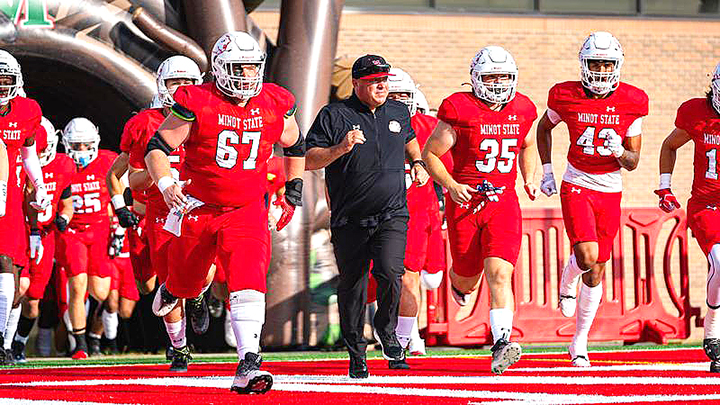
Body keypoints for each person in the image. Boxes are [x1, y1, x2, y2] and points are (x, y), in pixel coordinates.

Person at [144, 31, 304, 394]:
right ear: (218, 69)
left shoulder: (275, 101)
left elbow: (296, 144)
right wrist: (166, 184)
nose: (247, 76)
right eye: (238, 68)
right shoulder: (197, 100)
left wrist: (293, 190)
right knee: (188, 283)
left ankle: (249, 362)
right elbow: (157, 147)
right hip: (198, 207)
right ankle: (173, 287)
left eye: (252, 67)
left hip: (247, 209)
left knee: (248, 278)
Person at [306, 54, 429, 378]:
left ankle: (387, 331)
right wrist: (340, 149)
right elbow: (308, 159)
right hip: (350, 218)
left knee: (391, 272)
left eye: (384, 80)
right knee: (354, 286)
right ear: (357, 83)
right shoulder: (334, 115)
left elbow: (410, 140)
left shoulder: (398, 111)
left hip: (392, 213)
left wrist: (417, 163)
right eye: (374, 81)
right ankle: (356, 352)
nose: (381, 86)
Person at [422, 46, 537, 375]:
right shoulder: (459, 108)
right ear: (476, 79)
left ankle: (501, 343)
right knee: (467, 276)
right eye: (491, 77)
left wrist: (529, 178)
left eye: (504, 77)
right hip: (466, 202)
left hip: (503, 202)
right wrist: (451, 185)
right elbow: (430, 154)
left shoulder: (523, 108)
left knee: (500, 273)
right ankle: (458, 285)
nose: (498, 83)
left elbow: (528, 144)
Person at [536, 31, 648, 367]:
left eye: (607, 64)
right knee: (587, 256)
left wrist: (619, 151)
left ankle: (579, 342)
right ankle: (567, 280)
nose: (600, 70)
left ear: (617, 65)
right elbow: (544, 128)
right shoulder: (565, 95)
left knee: (597, 271)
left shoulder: (632, 100)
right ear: (584, 64)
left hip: (610, 188)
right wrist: (547, 170)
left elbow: (632, 162)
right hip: (577, 183)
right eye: (595, 63)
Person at [125, 55, 207, 371]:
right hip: (162, 210)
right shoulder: (144, 123)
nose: (182, 88)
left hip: (202, 206)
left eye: (189, 82)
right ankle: (179, 347)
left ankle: (197, 295)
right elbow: (132, 180)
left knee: (205, 269)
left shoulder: (209, 115)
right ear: (162, 85)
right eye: (176, 82)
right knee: (167, 282)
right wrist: (159, 174)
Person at [655, 62, 720, 373]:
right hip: (707, 205)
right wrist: (665, 186)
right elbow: (670, 145)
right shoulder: (696, 112)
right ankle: (713, 325)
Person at [386, 67, 448, 361]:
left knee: (427, 278)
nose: (399, 102)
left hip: (421, 212)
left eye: (403, 96)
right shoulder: (367, 126)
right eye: (393, 96)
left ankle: (405, 337)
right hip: (384, 212)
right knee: (392, 279)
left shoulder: (427, 127)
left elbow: (447, 167)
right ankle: (403, 338)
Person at [0, 50, 50, 363]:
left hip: (9, 202)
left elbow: (29, 154)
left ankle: (3, 344)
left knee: (10, 271)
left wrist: (40, 185)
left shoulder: (27, 110)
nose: (0, 86)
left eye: (4, 80)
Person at [13, 117, 75, 362]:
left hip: (45, 237)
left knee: (33, 300)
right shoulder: (16, 163)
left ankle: (18, 343)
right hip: (19, 232)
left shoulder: (63, 165)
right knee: (16, 287)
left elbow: (67, 204)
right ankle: (5, 342)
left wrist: (64, 218)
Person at [56, 117, 117, 359]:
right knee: (77, 284)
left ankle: (90, 335)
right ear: (66, 144)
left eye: (86, 144)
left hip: (100, 230)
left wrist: (118, 227)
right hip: (73, 232)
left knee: (101, 292)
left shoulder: (107, 161)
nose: (81, 149)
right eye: (76, 145)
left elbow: (120, 191)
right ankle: (80, 345)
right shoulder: (61, 165)